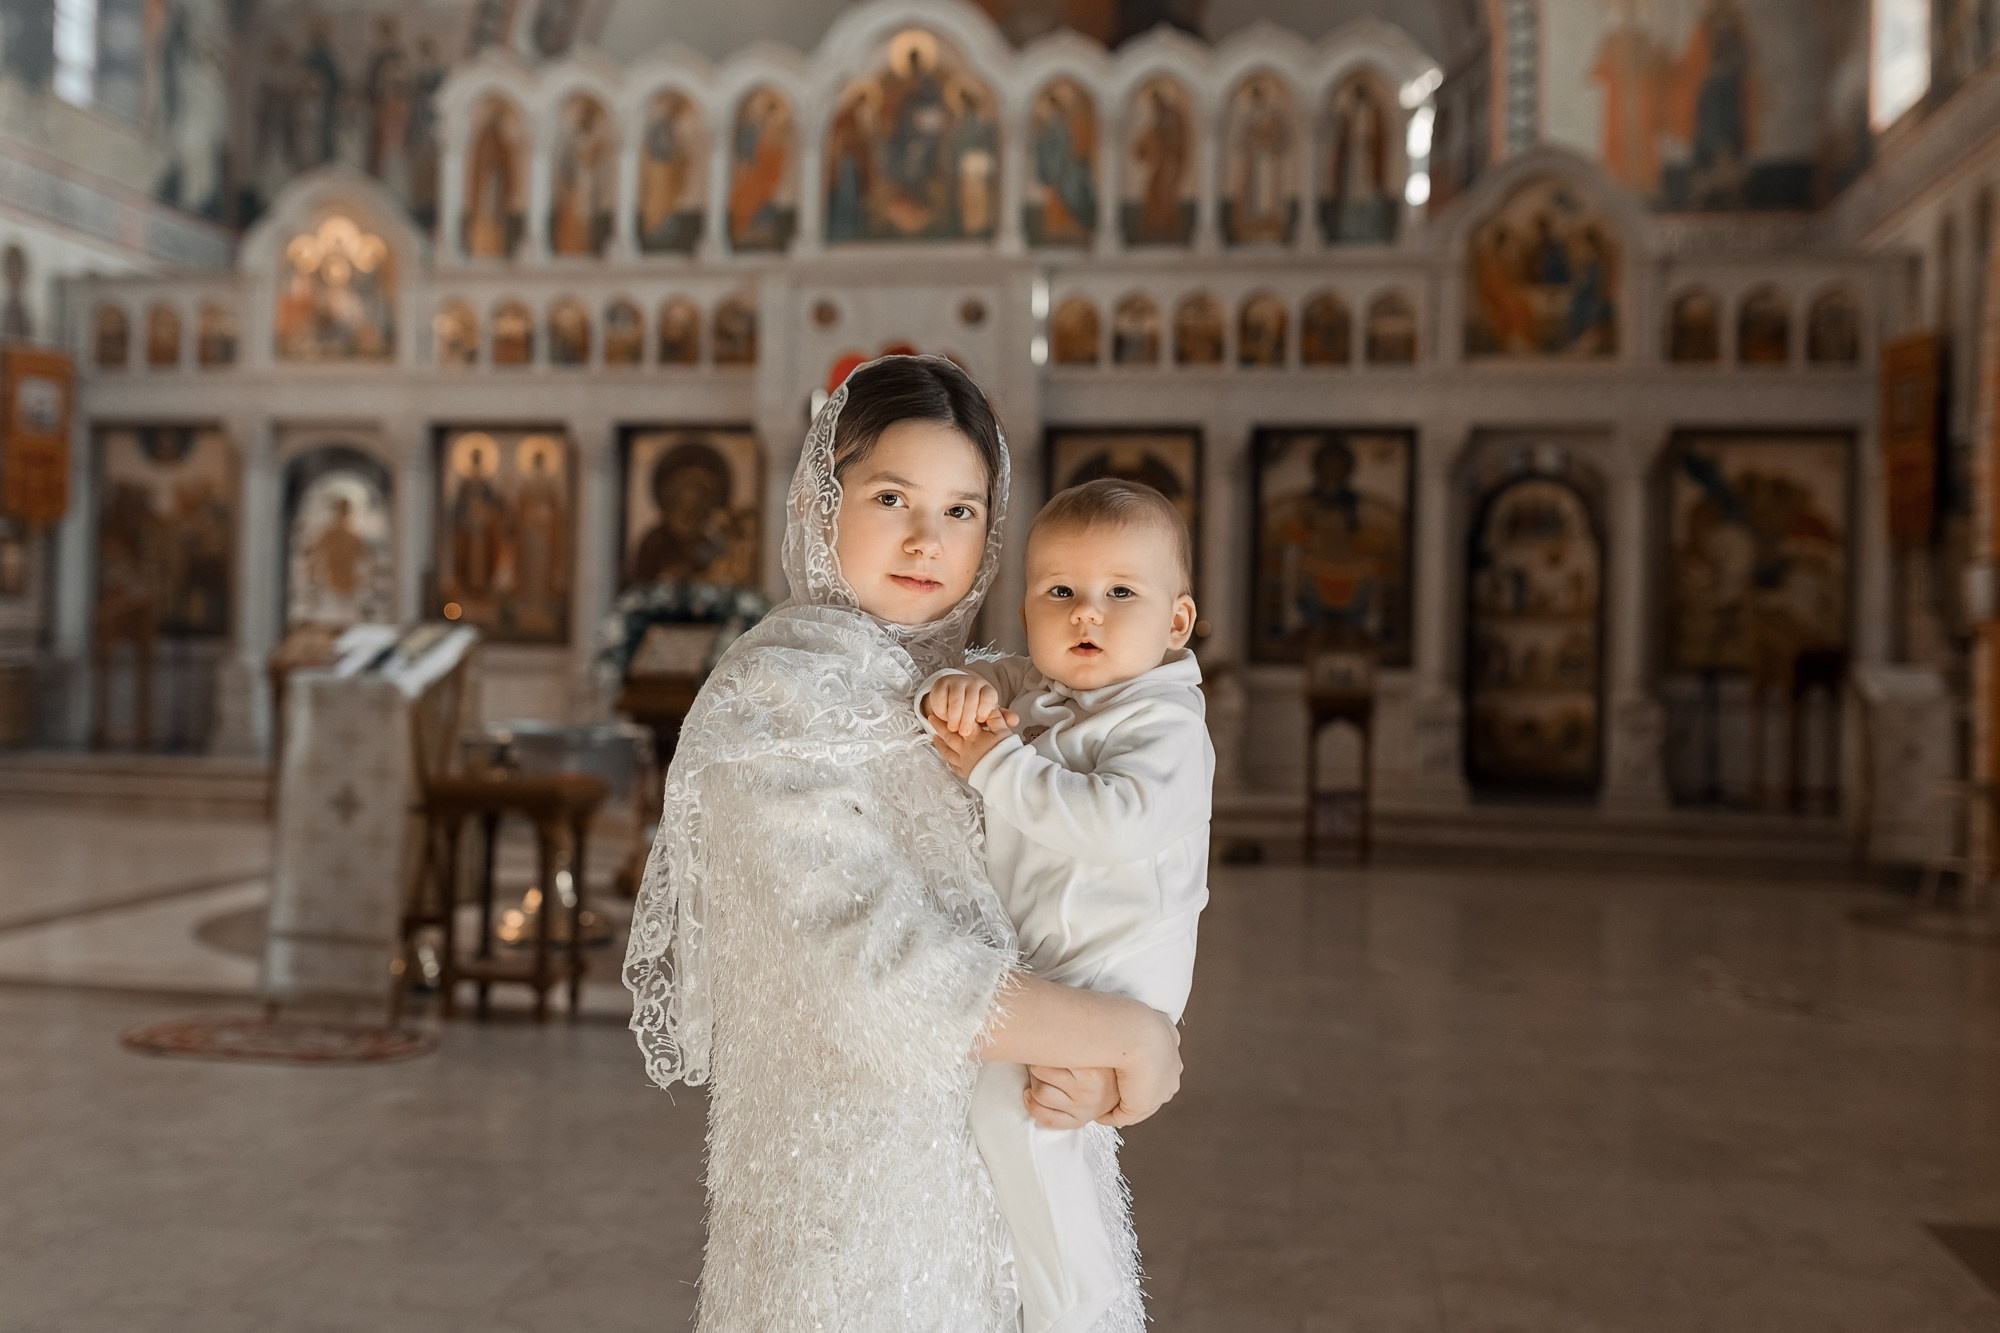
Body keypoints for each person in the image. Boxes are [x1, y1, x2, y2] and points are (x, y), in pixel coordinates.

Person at [624, 356, 1183, 1330]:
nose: (929, 538)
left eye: (963, 510)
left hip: (997, 1196)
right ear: (818, 500)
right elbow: (864, 964)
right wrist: (1124, 1035)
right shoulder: (778, 693)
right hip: (860, 1220)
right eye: (892, 496)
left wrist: (1091, 1060)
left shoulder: (966, 693)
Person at [919, 479, 1211, 1333]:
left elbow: (1114, 826)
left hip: (1115, 983)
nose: (1087, 613)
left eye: (1121, 592)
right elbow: (968, 680)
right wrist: (951, 690)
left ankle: (1083, 1315)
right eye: (1061, 593)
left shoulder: (1166, 726)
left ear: (1176, 623)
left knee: (1024, 1122)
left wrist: (995, 765)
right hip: (1054, 971)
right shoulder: (1038, 685)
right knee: (1018, 1127)